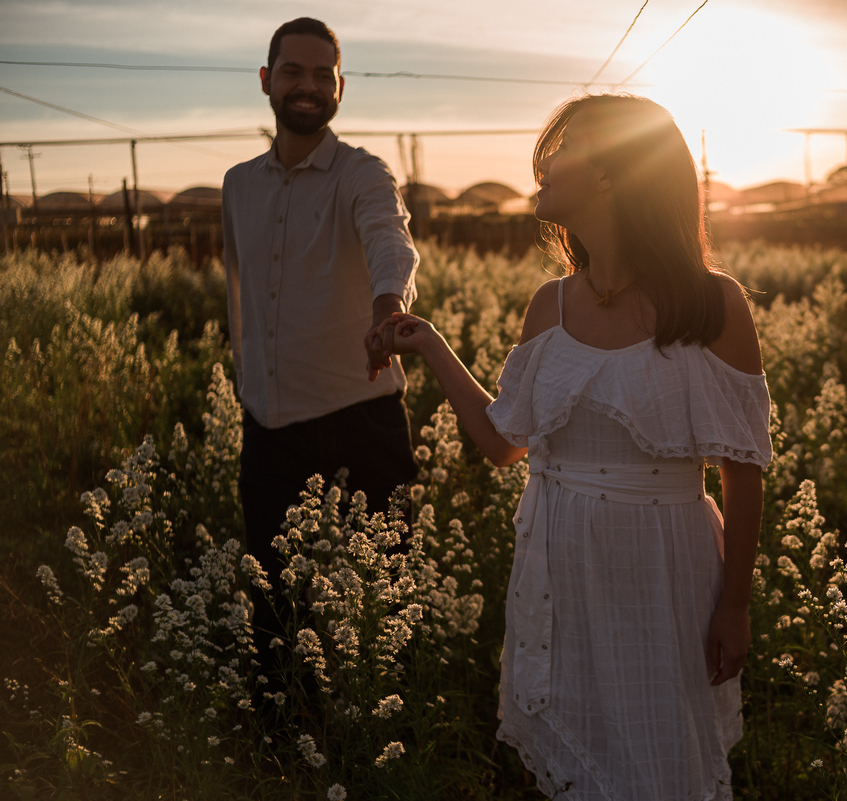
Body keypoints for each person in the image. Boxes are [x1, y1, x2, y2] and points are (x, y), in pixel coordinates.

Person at [372, 94, 771, 800]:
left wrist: (733, 604)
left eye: (565, 149)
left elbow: (745, 470)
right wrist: (431, 344)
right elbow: (504, 442)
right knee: (569, 770)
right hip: (557, 565)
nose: (544, 165)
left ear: (615, 172)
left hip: (662, 568)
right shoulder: (550, 305)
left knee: (664, 763)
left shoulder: (714, 304)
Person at [222, 17, 420, 687]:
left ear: (340, 87)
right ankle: (286, 738)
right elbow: (240, 289)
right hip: (268, 421)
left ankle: (388, 721)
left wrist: (388, 304)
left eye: (321, 75)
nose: (307, 86)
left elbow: (389, 237)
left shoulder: (363, 173)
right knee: (274, 593)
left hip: (359, 412)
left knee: (386, 588)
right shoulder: (237, 184)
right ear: (265, 81)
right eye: (292, 72)